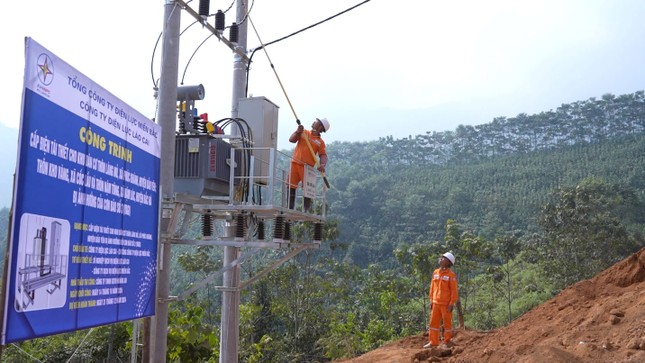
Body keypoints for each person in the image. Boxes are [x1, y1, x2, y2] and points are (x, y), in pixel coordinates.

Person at [288, 117, 330, 211]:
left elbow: (323, 155)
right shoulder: (304, 132)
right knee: (291, 186)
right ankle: (290, 207)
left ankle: (306, 209)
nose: (313, 122)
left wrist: (322, 164)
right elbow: (291, 140)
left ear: (320, 127)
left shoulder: (320, 142)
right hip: (295, 163)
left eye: (316, 122)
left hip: (307, 168)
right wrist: (297, 132)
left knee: (307, 189)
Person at [425, 252, 459, 349]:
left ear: (448, 262)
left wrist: (452, 303)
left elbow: (454, 291)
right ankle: (433, 342)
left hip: (446, 304)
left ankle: (447, 341)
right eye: (441, 257)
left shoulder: (451, 275)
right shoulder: (435, 272)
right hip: (435, 303)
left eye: (443, 258)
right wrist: (431, 300)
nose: (441, 259)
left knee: (447, 323)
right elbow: (432, 287)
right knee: (433, 323)